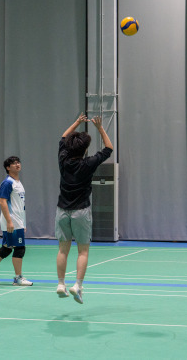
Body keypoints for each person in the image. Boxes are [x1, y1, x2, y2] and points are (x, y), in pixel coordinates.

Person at [55, 114, 113, 304]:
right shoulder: (88, 163)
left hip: (62, 211)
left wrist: (77, 122)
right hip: (81, 211)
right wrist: (100, 128)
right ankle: (78, 286)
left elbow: (63, 137)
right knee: (83, 251)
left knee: (63, 250)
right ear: (85, 149)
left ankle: (61, 284)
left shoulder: (63, 159)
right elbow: (109, 148)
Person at [0, 156, 33, 286]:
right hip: (12, 220)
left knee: (7, 248)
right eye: (14, 163)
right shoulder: (7, 183)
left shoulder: (18, 183)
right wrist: (9, 221)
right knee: (20, 248)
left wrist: (23, 223)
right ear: (8, 168)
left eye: (18, 162)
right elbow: (2, 202)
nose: (17, 165)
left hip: (18, 221)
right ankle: (18, 278)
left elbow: (20, 205)